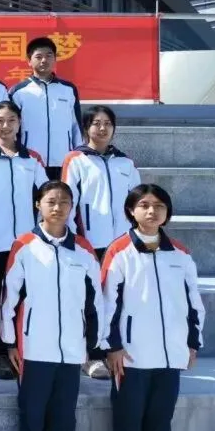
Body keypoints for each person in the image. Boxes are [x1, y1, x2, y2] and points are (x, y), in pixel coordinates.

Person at [1, 180, 103, 431]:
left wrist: (91, 344)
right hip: (34, 349)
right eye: (51, 201)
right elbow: (9, 298)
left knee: (63, 421)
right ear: (38, 205)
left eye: (64, 202)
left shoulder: (83, 249)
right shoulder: (25, 246)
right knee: (33, 419)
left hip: (71, 350)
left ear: (72, 207)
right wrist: (10, 342)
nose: (57, 208)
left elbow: (95, 301)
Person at [102, 184, 205, 431]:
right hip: (131, 357)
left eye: (159, 205)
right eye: (144, 205)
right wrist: (113, 346)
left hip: (169, 356)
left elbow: (193, 302)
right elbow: (108, 303)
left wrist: (192, 343)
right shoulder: (119, 251)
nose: (152, 211)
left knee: (160, 423)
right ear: (131, 210)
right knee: (130, 423)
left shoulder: (180, 253)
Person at [0, 101, 48, 381]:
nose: (5, 125)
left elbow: (45, 197)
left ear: (19, 123)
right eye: (0, 120)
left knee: (23, 295)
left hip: (27, 244)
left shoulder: (32, 159)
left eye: (11, 120)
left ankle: (23, 346)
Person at [63, 104, 142, 381]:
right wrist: (76, 239)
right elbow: (68, 201)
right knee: (92, 300)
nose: (102, 128)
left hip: (121, 245)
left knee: (118, 298)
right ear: (86, 128)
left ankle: (114, 350)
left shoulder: (125, 163)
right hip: (90, 242)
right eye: (96, 123)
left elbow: (138, 202)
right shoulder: (76, 159)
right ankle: (91, 355)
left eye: (107, 123)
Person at [9, 37, 81, 179]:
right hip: (30, 160)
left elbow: (76, 126)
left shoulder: (68, 89)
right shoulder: (18, 92)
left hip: (63, 160)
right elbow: (12, 128)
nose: (44, 60)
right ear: (29, 61)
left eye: (49, 56)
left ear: (55, 59)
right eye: (38, 57)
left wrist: (78, 155)